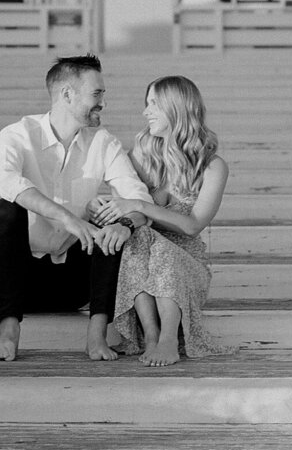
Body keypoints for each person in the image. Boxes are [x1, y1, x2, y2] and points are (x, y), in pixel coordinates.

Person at [0, 54, 152, 362]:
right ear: (67, 95)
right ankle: (8, 334)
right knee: (6, 210)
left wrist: (123, 224)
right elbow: (5, 180)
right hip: (14, 278)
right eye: (97, 93)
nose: (103, 102)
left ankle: (96, 336)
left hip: (74, 283)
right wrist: (68, 218)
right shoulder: (18, 134)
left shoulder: (103, 142)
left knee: (110, 219)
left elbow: (138, 197)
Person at [90, 75, 229, 366]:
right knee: (139, 237)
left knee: (159, 247)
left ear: (176, 107)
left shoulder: (212, 166)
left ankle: (168, 339)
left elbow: (192, 225)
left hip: (186, 262)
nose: (145, 111)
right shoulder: (141, 154)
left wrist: (141, 204)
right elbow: (126, 211)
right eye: (147, 103)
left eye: (153, 103)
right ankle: (150, 336)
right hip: (141, 257)